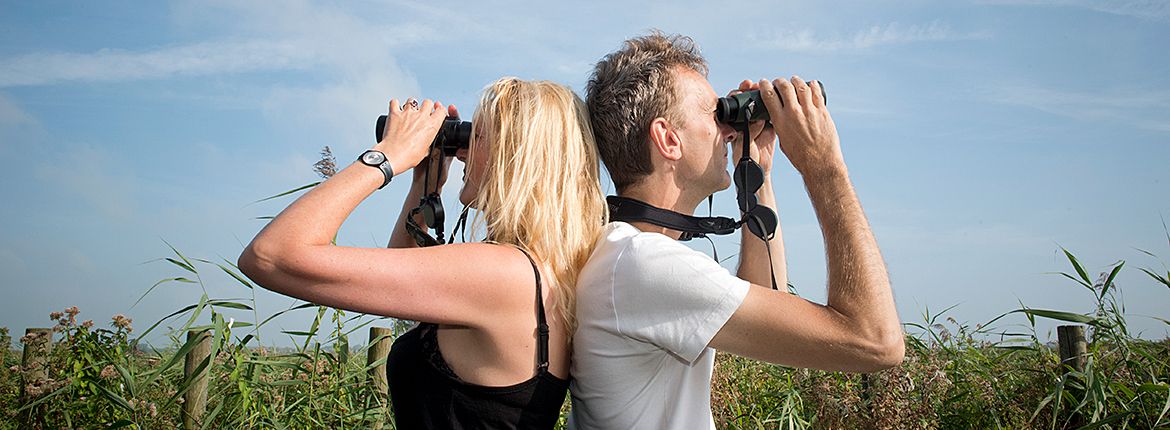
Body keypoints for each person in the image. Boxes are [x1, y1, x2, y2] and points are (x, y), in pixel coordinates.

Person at [568, 32, 905, 429]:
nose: (729, 131)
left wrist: (757, 171)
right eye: (715, 115)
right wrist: (825, 167)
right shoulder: (645, 264)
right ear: (668, 139)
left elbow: (765, 298)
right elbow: (876, 341)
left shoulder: (625, 255)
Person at [239, 77, 606, 429]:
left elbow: (270, 256)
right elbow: (403, 298)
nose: (460, 153)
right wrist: (422, 183)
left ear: (515, 158)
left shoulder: (500, 272)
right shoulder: (538, 270)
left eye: (475, 136)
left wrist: (387, 156)